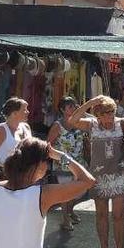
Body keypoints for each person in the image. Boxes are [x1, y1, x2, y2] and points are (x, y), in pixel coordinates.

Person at [69, 95, 124, 248]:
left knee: (118, 215)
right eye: (105, 113)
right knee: (101, 215)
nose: (109, 116)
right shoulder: (92, 125)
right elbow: (72, 120)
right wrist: (90, 102)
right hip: (98, 176)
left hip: (121, 175)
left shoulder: (122, 123)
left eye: (111, 112)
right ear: (98, 114)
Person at [46, 97, 87, 231]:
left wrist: (83, 111)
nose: (73, 108)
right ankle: (65, 218)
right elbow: (48, 144)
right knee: (65, 192)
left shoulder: (80, 122)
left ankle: (70, 210)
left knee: (77, 191)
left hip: (78, 162)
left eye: (74, 106)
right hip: (62, 164)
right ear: (62, 110)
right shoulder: (58, 125)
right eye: (69, 107)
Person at [0, 97, 32, 179]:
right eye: (24, 110)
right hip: (6, 177)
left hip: (24, 177)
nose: (28, 112)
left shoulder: (26, 127)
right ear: (14, 113)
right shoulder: (0, 130)